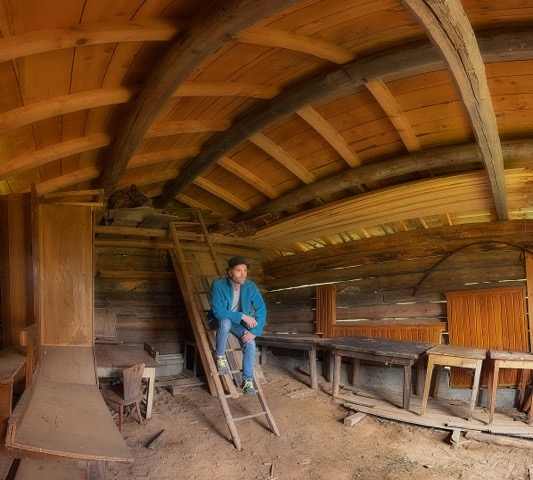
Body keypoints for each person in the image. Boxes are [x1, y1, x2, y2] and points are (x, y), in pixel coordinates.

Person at [208, 256, 267, 395]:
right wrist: (243, 316)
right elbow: (218, 312)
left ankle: (247, 381)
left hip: (236, 323)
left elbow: (261, 308)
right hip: (219, 320)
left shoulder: (250, 286)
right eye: (238, 270)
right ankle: (220, 358)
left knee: (251, 342)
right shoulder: (218, 285)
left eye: (245, 270)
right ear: (230, 273)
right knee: (226, 321)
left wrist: (255, 331)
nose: (243, 274)